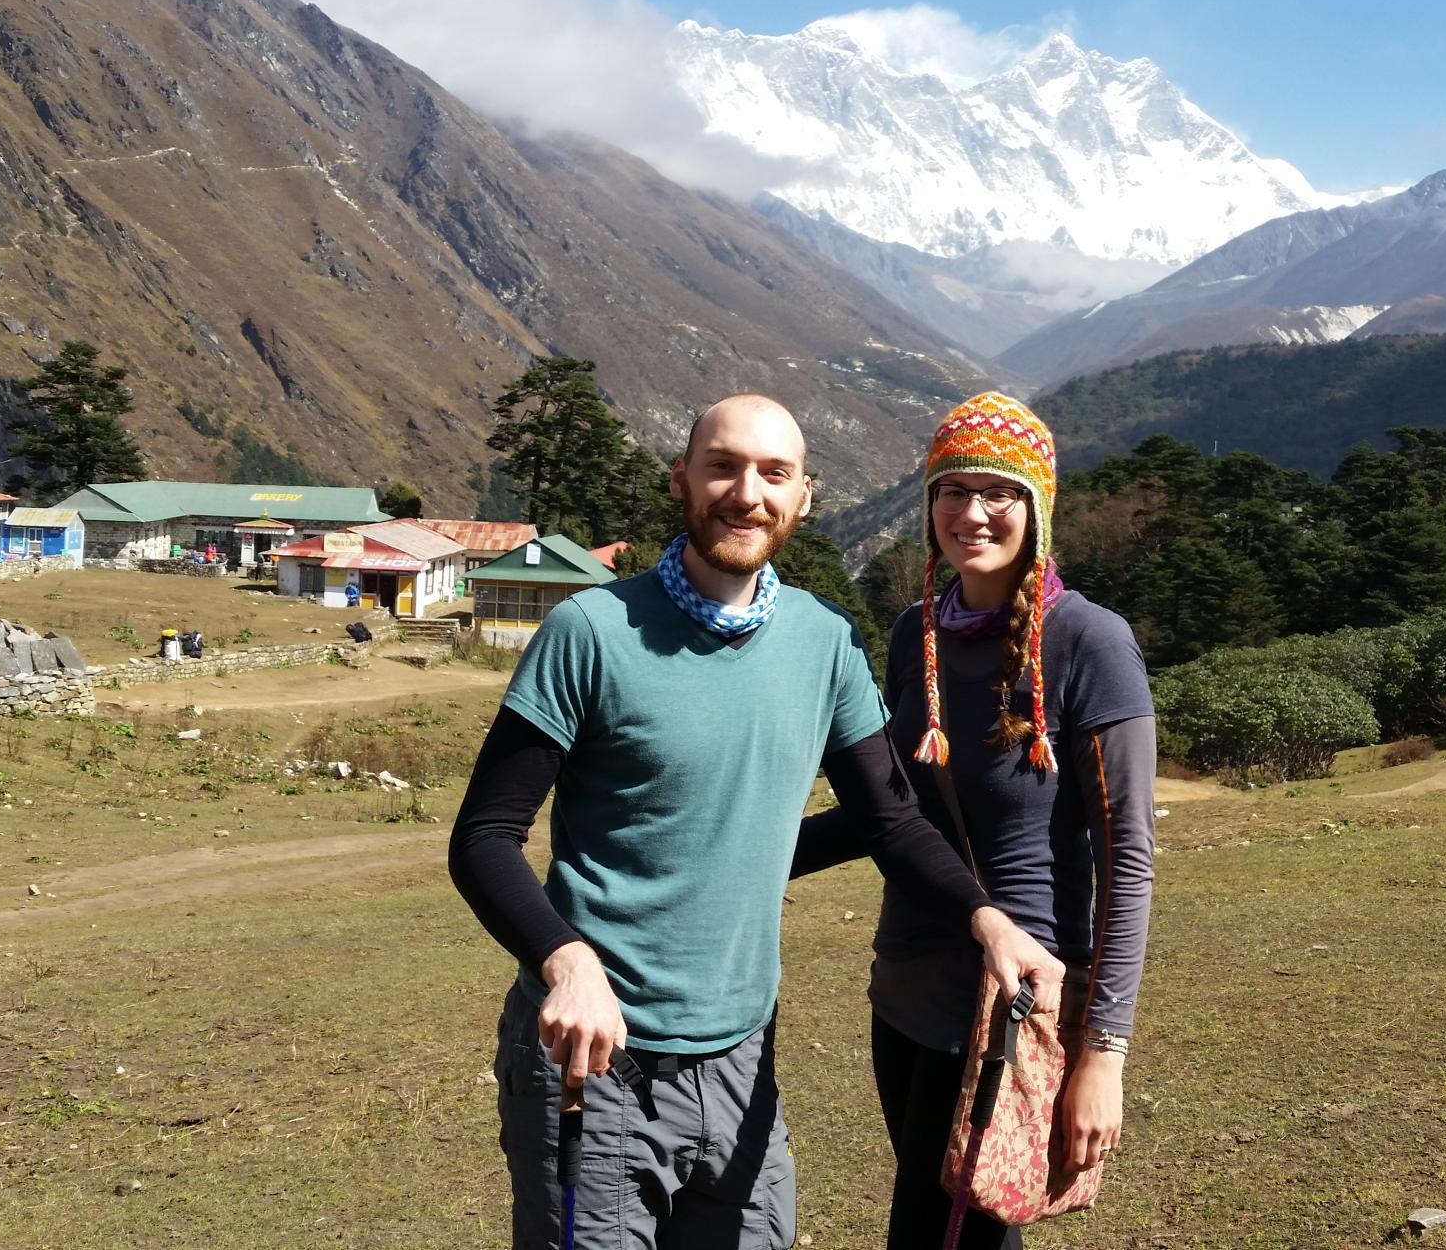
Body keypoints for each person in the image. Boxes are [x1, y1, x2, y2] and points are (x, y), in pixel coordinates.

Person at [449, 393, 1063, 1249]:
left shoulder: (824, 644)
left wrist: (988, 921)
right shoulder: (589, 632)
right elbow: (482, 837)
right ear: (682, 480)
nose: (747, 493)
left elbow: (890, 819)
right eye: (724, 466)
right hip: (593, 1059)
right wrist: (566, 962)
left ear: (803, 497)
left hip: (742, 1062)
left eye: (774, 473)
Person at [793, 392, 1157, 1250]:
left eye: (1000, 491)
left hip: (1012, 1010)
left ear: (1038, 507)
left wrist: (1103, 1052)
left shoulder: (1090, 644)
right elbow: (887, 814)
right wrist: (743, 856)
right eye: (953, 489)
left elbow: (1129, 863)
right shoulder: (914, 632)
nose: (973, 512)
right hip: (904, 996)